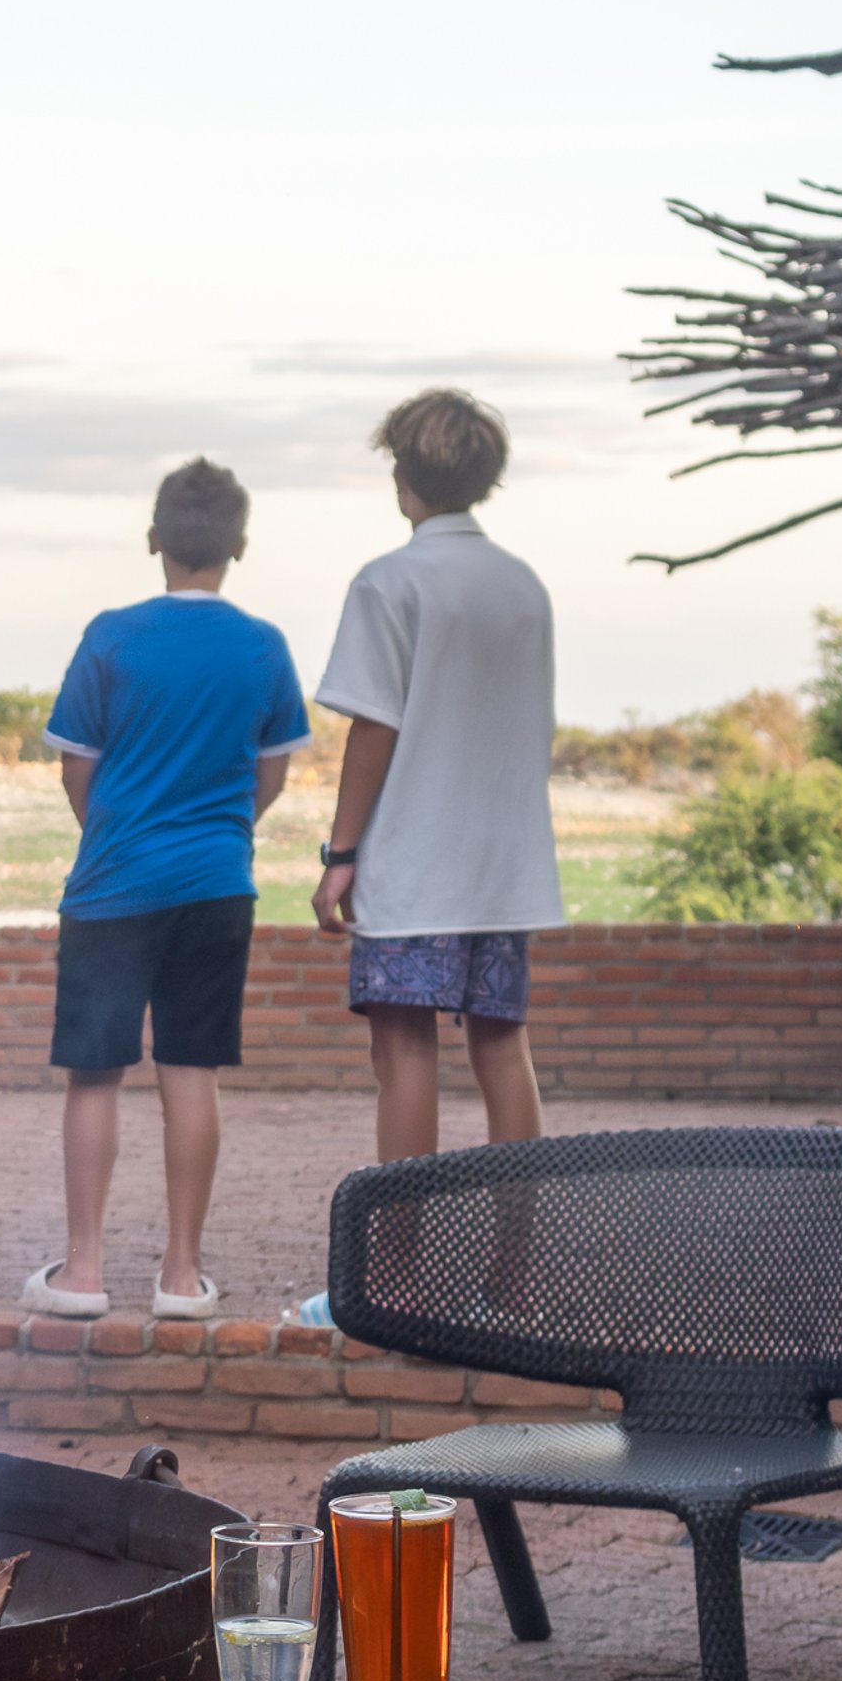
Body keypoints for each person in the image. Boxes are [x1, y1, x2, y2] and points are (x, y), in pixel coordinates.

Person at [26, 459, 311, 1323]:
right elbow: (272, 775)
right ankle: (181, 1277)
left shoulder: (110, 635)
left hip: (113, 884)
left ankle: (81, 1274)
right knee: (191, 1072)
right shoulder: (263, 645)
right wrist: (222, 833)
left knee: (94, 1076)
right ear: (240, 546)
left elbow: (79, 768)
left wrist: (114, 832)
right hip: (218, 884)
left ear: (154, 539)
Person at [309, 388, 563, 1166]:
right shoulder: (524, 584)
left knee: (404, 1056)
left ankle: (398, 1280)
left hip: (415, 866)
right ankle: (516, 1278)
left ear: (402, 475)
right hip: (503, 867)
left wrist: (340, 854)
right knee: (502, 1048)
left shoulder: (389, 581)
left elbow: (374, 726)